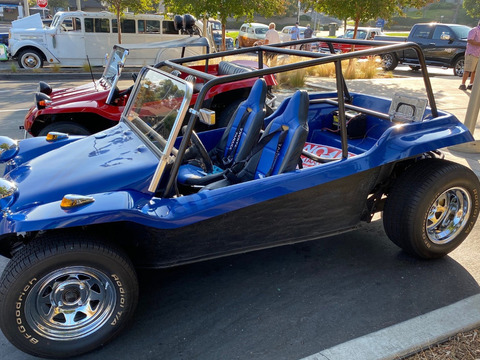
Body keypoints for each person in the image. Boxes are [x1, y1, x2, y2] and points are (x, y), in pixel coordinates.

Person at [459, 20, 480, 90]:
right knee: (467, 70)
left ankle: (471, 84)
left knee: (475, 71)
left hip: (478, 54)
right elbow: (470, 40)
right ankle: (462, 84)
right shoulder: (474, 30)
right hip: (471, 53)